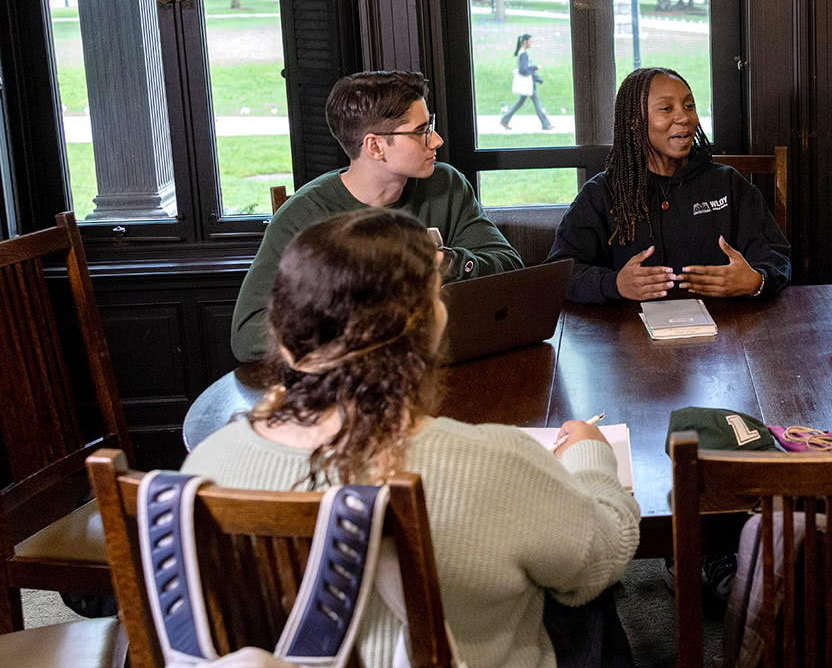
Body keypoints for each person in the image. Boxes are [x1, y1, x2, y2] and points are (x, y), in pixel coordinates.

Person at [189, 209, 637, 668]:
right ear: (433, 327)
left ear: (283, 339)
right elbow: (599, 562)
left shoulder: (207, 467)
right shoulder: (489, 463)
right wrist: (590, 457)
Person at [231, 71, 523, 362]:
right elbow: (248, 333)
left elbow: (511, 270)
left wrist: (443, 261)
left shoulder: (446, 186)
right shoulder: (303, 215)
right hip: (350, 388)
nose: (436, 140)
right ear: (375, 146)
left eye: (429, 126)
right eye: (421, 131)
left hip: (445, 369)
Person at [548, 66, 791, 303]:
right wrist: (614, 284)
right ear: (634, 121)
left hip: (722, 334)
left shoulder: (729, 184)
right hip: (631, 337)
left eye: (689, 106)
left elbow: (777, 258)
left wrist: (756, 281)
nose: (684, 118)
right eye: (666, 108)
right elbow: (560, 274)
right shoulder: (602, 193)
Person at [501, 33, 554, 131]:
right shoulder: (523, 54)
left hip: (528, 83)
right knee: (537, 104)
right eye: (530, 41)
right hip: (527, 84)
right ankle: (546, 124)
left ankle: (505, 120)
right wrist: (536, 67)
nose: (531, 44)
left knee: (520, 103)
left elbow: (527, 69)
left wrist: (538, 79)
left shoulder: (522, 53)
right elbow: (523, 70)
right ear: (525, 42)